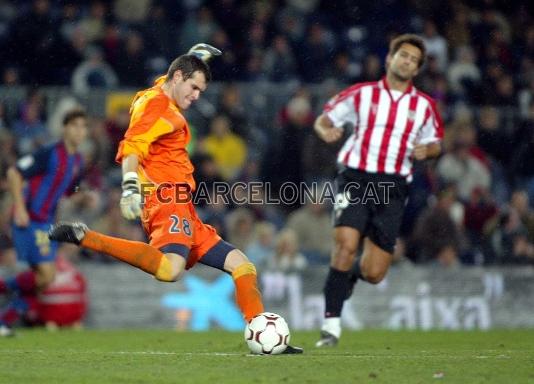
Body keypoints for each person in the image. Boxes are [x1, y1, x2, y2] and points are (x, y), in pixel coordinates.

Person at [48, 44, 303, 353]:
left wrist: (195, 58)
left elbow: (168, 79)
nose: (196, 95)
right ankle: (86, 238)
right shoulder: (160, 109)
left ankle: (261, 332)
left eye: (200, 89)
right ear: (179, 77)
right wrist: (130, 185)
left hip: (185, 207)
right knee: (170, 270)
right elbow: (132, 145)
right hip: (165, 201)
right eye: (194, 87)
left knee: (242, 266)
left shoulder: (158, 92)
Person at [313, 34, 443, 347]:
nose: (407, 62)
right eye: (403, 55)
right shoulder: (362, 94)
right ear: (389, 58)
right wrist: (325, 130)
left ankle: (350, 275)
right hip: (356, 178)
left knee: (374, 272)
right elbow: (324, 118)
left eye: (414, 60)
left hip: (393, 187)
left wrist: (428, 152)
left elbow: (436, 142)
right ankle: (331, 327)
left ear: (417, 70)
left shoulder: (424, 106)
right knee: (345, 244)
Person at [0, 108, 88, 336]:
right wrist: (19, 207)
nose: (80, 131)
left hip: (47, 224)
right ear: (65, 128)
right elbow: (13, 173)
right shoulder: (49, 152)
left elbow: (72, 188)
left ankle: (3, 322)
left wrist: (84, 195)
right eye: (75, 126)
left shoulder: (77, 160)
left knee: (42, 280)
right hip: (30, 218)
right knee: (46, 275)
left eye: (83, 127)